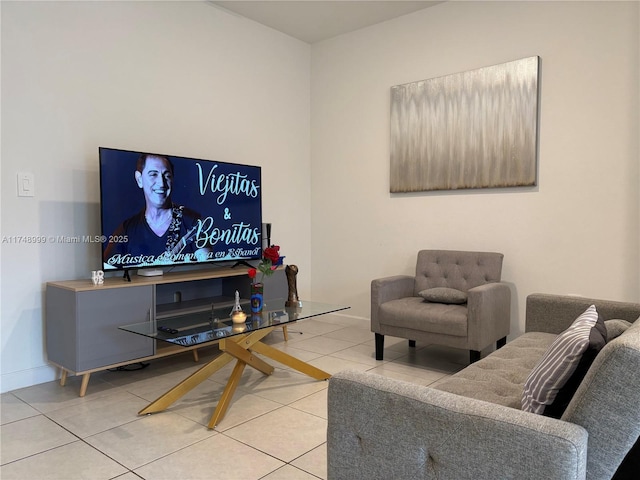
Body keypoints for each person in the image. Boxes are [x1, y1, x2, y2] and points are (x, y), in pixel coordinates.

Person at [104, 153, 210, 268]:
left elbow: (207, 268)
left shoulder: (193, 221)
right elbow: (108, 273)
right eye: (153, 174)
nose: (161, 183)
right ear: (139, 180)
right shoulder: (126, 229)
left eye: (167, 175)